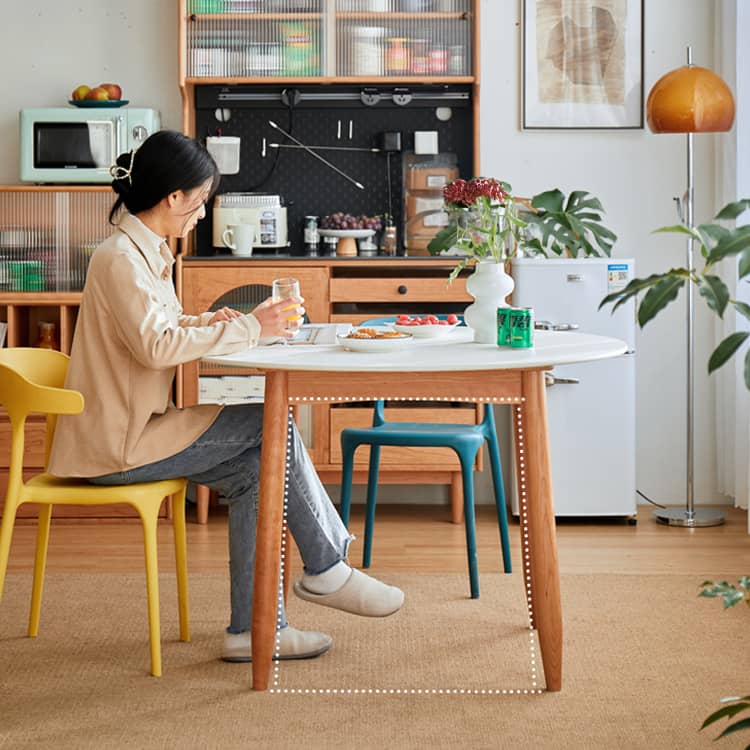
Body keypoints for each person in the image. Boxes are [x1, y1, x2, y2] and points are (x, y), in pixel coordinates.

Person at [48, 130, 403, 663]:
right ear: (174, 198)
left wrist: (207, 320)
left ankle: (254, 631)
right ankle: (328, 568)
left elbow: (156, 327)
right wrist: (253, 329)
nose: (200, 214)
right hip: (119, 444)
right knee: (272, 423)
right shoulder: (120, 258)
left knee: (258, 470)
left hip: (141, 428)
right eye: (201, 201)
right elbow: (155, 346)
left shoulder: (144, 252)